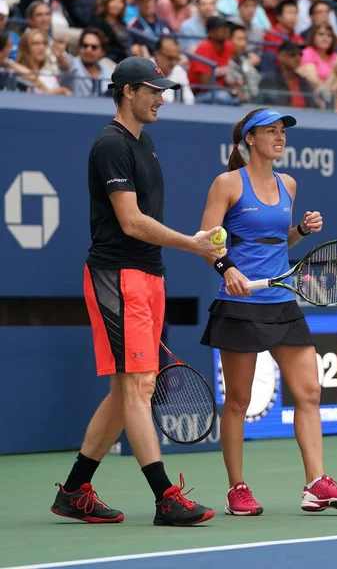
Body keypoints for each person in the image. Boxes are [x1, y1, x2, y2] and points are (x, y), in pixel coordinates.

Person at [50, 56, 224, 527]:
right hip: (118, 275)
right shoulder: (110, 145)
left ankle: (74, 489)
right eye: (154, 90)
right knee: (136, 386)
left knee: (132, 385)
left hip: (148, 276)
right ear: (128, 91)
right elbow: (130, 221)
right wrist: (190, 243)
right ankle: (165, 496)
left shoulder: (142, 143)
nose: (161, 99)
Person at [199, 107, 337, 516]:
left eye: (281, 131)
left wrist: (301, 231)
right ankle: (237, 489)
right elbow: (207, 240)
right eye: (269, 131)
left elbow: (276, 242)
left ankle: (316, 484)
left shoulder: (287, 183)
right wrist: (228, 269)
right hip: (239, 304)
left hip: (282, 303)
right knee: (237, 400)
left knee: (309, 391)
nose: (279, 137)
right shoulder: (227, 184)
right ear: (249, 139)